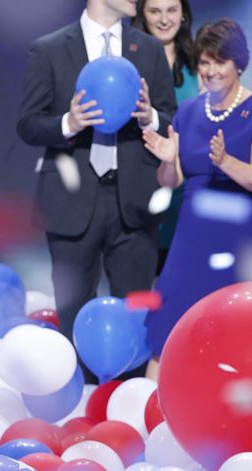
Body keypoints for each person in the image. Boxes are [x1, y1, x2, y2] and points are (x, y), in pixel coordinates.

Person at [16, 0, 176, 382]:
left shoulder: (149, 49)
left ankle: (130, 403)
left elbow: (171, 117)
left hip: (134, 201)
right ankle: (81, 412)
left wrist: (149, 115)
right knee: (74, 309)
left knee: (137, 311)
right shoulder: (50, 48)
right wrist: (69, 122)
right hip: (71, 200)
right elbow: (28, 125)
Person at [142, 18, 252, 379]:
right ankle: (151, 418)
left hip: (238, 236)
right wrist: (166, 160)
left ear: (238, 62)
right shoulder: (187, 112)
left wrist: (226, 162)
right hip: (190, 238)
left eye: (219, 61)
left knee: (233, 330)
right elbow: (171, 181)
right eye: (204, 62)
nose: (211, 71)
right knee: (168, 325)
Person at [133, 0, 200, 273]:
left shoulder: (201, 64)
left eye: (171, 10)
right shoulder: (129, 63)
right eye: (154, 11)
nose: (164, 19)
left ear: (183, 14)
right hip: (142, 184)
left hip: (189, 187)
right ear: (142, 16)